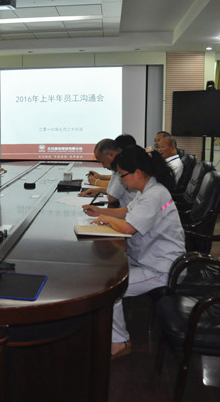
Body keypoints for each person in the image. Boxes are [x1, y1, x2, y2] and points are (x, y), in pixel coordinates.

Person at [82, 145, 185, 359]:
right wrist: (100, 210)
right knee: (102, 273)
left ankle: (119, 342)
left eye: (122, 175)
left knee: (109, 289)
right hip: (147, 259)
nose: (121, 180)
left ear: (137, 172)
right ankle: (106, 332)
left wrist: (106, 218)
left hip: (162, 268)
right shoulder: (148, 189)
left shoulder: (153, 195)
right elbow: (128, 211)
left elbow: (129, 227)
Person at [79, 135, 138, 207]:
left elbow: (112, 198)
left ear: (111, 154)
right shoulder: (124, 166)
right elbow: (114, 191)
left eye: (103, 162)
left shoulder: (124, 168)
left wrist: (96, 182)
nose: (103, 166)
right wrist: (100, 189)